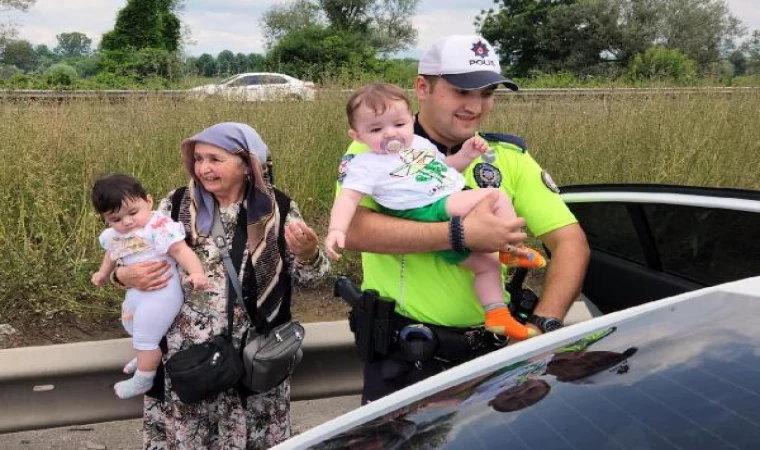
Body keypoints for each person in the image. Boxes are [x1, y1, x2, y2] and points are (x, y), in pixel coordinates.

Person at [337, 34, 590, 404]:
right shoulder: (376, 146)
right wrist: (459, 234)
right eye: (462, 92)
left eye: (487, 94)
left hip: (496, 356)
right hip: (408, 361)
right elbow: (355, 230)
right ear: (423, 87)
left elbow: (570, 242)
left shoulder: (507, 155)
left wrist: (545, 324)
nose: (476, 106)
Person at [111, 122, 330, 449]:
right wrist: (121, 276)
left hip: (251, 367)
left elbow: (312, 279)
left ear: (247, 164)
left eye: (215, 159)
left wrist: (310, 254)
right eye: (198, 159)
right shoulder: (175, 205)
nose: (203, 168)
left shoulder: (277, 210)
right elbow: (130, 252)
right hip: (188, 366)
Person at [327, 82, 545, 341]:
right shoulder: (365, 163)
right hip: (426, 209)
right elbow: (348, 198)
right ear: (357, 136)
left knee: (486, 266)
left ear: (410, 120)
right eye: (376, 129)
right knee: (494, 195)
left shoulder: (419, 144)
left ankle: (497, 315)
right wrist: (336, 229)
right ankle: (512, 249)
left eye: (398, 125)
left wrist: (465, 155)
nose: (390, 134)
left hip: (444, 202)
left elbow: (445, 169)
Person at [90, 173, 210, 399]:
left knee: (146, 336)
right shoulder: (115, 235)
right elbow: (111, 253)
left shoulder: (158, 226)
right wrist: (103, 273)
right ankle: (145, 353)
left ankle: (144, 377)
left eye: (133, 213)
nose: (126, 222)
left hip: (162, 292)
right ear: (106, 218)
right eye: (115, 219)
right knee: (129, 320)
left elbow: (181, 251)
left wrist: (196, 272)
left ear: (148, 201)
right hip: (137, 293)